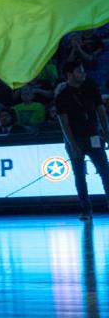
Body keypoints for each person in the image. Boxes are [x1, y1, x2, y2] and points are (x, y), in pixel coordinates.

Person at [55, 59, 109, 220]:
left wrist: (106, 131)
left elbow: (101, 110)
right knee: (79, 175)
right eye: (80, 71)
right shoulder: (62, 95)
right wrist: (72, 144)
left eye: (83, 71)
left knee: (105, 172)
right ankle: (86, 209)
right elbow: (64, 123)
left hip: (94, 135)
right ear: (70, 74)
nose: (83, 73)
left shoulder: (90, 87)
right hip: (75, 139)